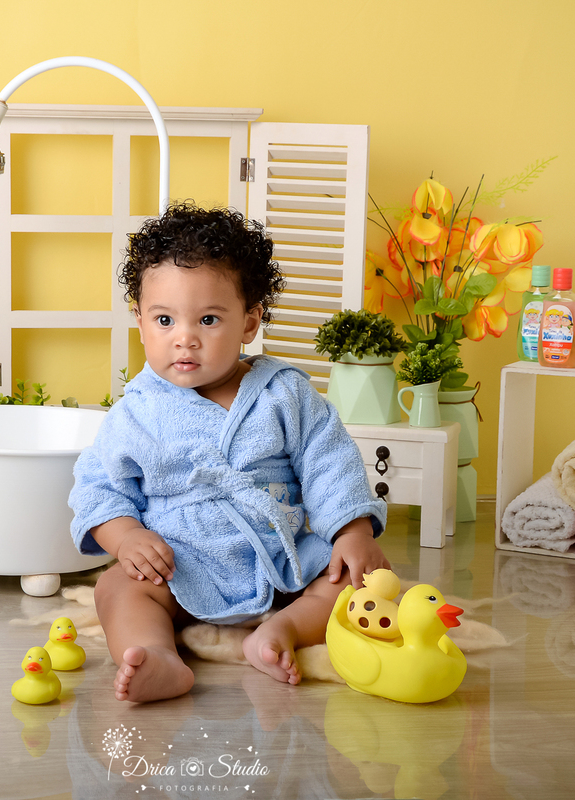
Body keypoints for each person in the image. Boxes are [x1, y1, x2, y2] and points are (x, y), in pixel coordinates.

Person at [69, 202, 390, 703]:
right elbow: (98, 488)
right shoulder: (136, 413)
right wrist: (127, 537)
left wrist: (352, 531)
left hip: (282, 559)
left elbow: (329, 461)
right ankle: (157, 656)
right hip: (180, 564)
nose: (185, 338)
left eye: (209, 319)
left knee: (361, 577)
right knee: (116, 588)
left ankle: (282, 630)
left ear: (249, 322)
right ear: (139, 320)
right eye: (164, 320)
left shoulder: (283, 394)